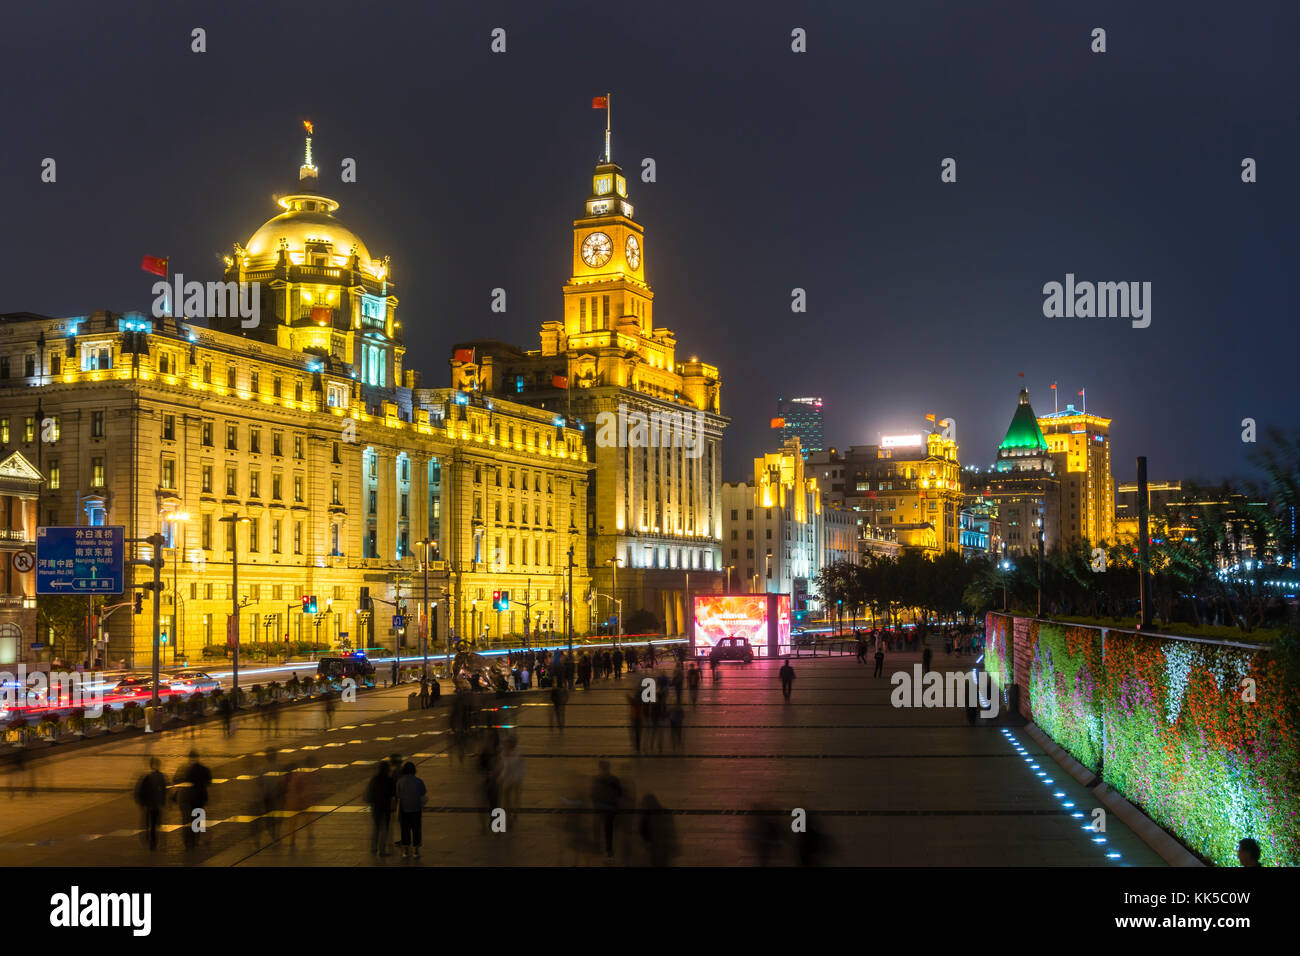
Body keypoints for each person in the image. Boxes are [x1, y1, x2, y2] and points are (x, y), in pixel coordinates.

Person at [173, 750, 212, 851]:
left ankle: (188, 841)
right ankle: (195, 840)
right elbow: (209, 781)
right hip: (200, 798)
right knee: (197, 821)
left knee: (188, 820)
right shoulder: (204, 769)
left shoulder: (187, 770)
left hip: (189, 799)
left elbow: (179, 781)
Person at [591, 760, 624, 862]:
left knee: (598, 826)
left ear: (600, 768)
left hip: (600, 807)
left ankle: (598, 846)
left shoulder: (596, 779)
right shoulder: (614, 779)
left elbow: (592, 794)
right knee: (608, 829)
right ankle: (609, 851)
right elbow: (620, 793)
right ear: (609, 768)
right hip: (611, 807)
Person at [395, 762, 427, 858]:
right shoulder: (419, 781)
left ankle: (405, 851)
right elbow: (423, 792)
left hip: (404, 809)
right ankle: (416, 851)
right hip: (416, 808)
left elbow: (398, 794)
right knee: (416, 829)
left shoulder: (400, 781)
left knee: (405, 829)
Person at [134, 758, 168, 851]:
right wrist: (163, 801)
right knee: (155, 823)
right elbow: (164, 790)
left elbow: (140, 791)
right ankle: (153, 841)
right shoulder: (160, 776)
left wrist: (141, 803)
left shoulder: (147, 776)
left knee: (150, 823)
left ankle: (151, 840)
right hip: (155, 804)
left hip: (149, 804)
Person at [365, 761, 397, 857]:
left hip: (375, 807)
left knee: (376, 828)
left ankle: (373, 848)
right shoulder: (389, 780)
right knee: (384, 829)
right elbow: (393, 793)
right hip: (386, 806)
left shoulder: (374, 779)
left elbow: (369, 792)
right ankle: (382, 850)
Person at [638, 793, 678, 866]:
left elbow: (670, 831)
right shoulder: (647, 816)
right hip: (656, 849)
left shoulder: (647, 815)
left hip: (658, 848)